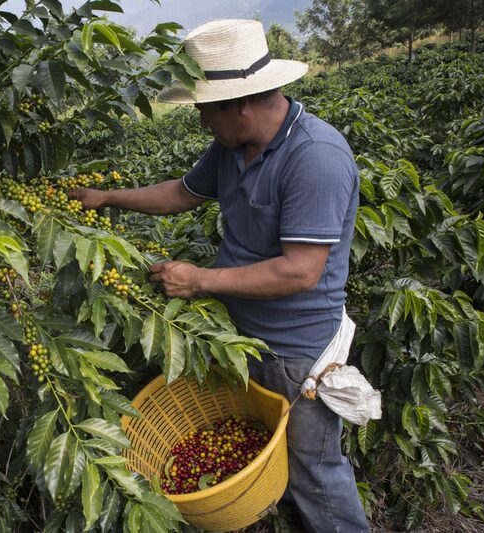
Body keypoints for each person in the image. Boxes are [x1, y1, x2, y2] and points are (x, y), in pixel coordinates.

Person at [69, 19, 370, 533]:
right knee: (272, 459)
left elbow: (301, 271)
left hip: (297, 352)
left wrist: (200, 280)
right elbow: (181, 194)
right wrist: (108, 198)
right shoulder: (232, 147)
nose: (203, 121)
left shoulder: (315, 158)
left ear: (242, 103)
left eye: (206, 108)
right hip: (242, 339)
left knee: (316, 471)